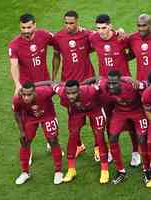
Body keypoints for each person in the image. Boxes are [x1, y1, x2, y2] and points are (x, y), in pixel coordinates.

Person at [89, 14, 140, 166]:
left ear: (110, 26)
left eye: (104, 28)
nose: (101, 31)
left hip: (125, 85)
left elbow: (134, 51)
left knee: (131, 119)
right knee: (108, 119)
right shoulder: (93, 38)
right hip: (106, 86)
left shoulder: (122, 38)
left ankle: (136, 152)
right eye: (98, 28)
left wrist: (123, 58)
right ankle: (111, 150)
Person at [8, 13, 56, 165]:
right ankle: (27, 151)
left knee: (47, 113)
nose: (26, 30)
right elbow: (14, 65)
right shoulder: (14, 44)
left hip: (43, 86)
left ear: (35, 25)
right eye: (23, 27)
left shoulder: (44, 35)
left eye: (29, 27)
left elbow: (60, 41)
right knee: (26, 118)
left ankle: (51, 141)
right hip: (26, 89)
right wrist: (17, 85)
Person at [52, 10, 96, 159]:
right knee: (73, 117)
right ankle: (79, 145)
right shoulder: (58, 37)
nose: (68, 26)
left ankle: (98, 146)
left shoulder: (87, 35)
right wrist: (54, 77)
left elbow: (102, 42)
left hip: (87, 81)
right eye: (66, 23)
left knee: (93, 115)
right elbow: (56, 56)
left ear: (77, 22)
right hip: (68, 83)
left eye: (71, 23)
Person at [97, 71, 151, 184]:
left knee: (142, 138)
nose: (111, 86)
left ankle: (147, 169)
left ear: (121, 82)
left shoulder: (132, 85)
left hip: (137, 111)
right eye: (110, 83)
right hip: (119, 112)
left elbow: (150, 84)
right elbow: (96, 79)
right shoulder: (104, 85)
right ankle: (121, 171)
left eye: (114, 83)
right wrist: (83, 83)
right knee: (112, 137)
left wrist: (132, 80)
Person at [53, 80, 110, 184]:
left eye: (74, 93)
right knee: (73, 136)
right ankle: (71, 170)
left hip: (95, 110)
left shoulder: (91, 90)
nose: (70, 96)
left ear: (79, 90)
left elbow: (101, 80)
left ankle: (105, 169)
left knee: (100, 137)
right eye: (68, 93)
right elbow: (52, 84)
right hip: (77, 112)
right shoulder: (61, 92)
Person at [12, 82, 63, 185]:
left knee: (53, 140)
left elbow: (55, 86)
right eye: (24, 94)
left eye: (29, 95)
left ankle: (58, 171)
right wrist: (22, 131)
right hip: (30, 118)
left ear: (35, 92)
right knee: (25, 141)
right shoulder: (17, 98)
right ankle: (25, 173)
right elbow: (16, 112)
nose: (26, 98)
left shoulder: (45, 92)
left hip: (48, 116)